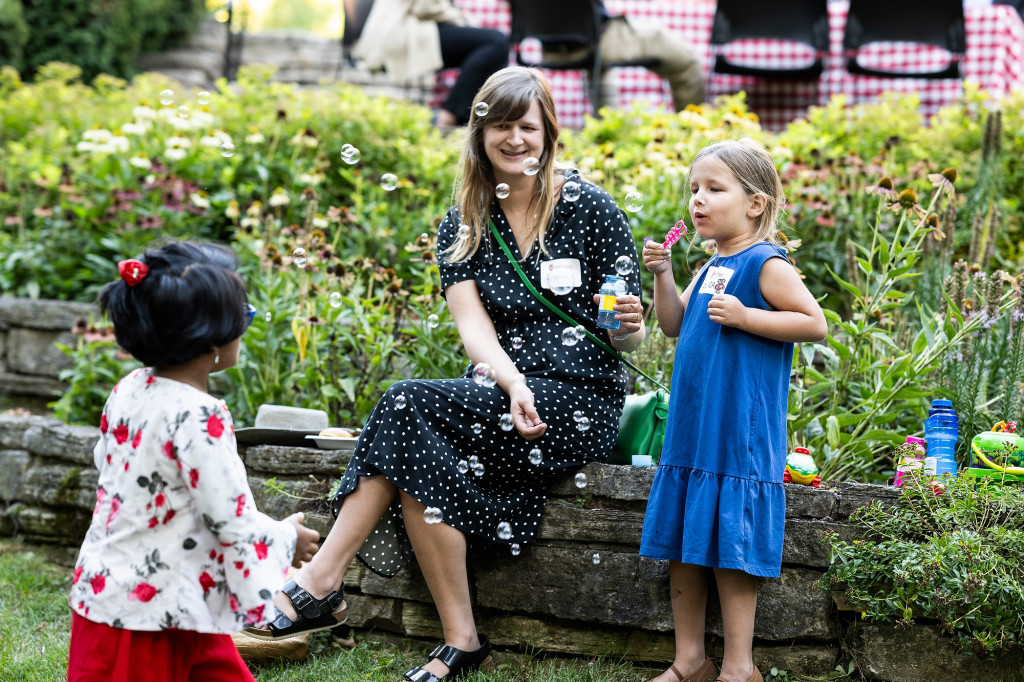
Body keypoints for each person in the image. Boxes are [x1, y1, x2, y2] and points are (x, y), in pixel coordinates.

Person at [245, 66, 646, 681]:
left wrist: (627, 325)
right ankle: (459, 640)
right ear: (480, 135)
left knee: (405, 409)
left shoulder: (593, 209)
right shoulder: (465, 220)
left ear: (550, 132)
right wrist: (511, 382)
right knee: (412, 440)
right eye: (501, 127)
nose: (515, 140)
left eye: (527, 127)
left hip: (577, 398)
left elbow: (625, 330)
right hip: (499, 389)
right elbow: (474, 329)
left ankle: (322, 581)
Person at [66, 242, 321, 682]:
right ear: (213, 339)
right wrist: (287, 537)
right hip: (149, 615)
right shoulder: (201, 416)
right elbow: (230, 521)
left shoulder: (129, 387)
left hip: (130, 590)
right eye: (243, 316)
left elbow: (105, 460)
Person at [639, 139, 827, 682]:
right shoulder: (711, 264)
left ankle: (740, 668)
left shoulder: (765, 264)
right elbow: (673, 325)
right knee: (685, 540)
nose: (698, 199)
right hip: (695, 429)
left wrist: (748, 317)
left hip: (738, 430)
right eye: (694, 189)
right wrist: (663, 274)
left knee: (730, 543)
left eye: (714, 189)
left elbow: (813, 322)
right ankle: (689, 660)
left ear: (756, 204)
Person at [347, 0, 510, 130]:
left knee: (488, 45)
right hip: (403, 31)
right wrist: (463, 19)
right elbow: (427, 6)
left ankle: (464, 117)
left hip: (399, 30)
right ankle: (448, 117)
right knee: (495, 42)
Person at [539, 0, 705, 112]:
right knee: (684, 60)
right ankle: (693, 128)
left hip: (550, 47)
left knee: (599, 64)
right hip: (594, 42)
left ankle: (607, 134)